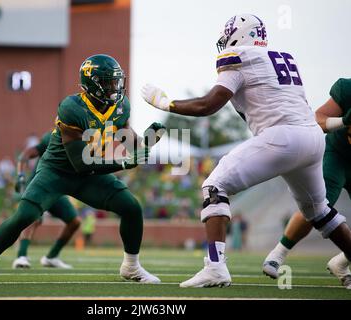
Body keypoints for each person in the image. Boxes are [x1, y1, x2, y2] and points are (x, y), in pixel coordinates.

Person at [141, 14, 351, 288]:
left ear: (239, 34)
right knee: (319, 210)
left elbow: (208, 105)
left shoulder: (239, 55)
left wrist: (168, 104)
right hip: (312, 137)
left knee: (214, 186)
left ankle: (215, 267)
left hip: (283, 137)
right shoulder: (283, 57)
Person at [0, 54, 164, 284]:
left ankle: (131, 267)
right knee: (25, 216)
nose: (115, 87)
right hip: (57, 172)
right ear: (93, 83)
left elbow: (130, 141)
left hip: (87, 175)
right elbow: (80, 162)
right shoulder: (72, 108)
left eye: (116, 81)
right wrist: (124, 162)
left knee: (131, 207)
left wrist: (147, 141)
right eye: (109, 82)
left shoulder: (120, 107)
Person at [263, 78, 351, 288]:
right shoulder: (347, 89)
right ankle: (278, 253)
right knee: (317, 204)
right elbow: (317, 120)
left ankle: (341, 262)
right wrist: (343, 121)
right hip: (337, 156)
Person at [12, 131, 81, 269]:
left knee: (74, 222)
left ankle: (51, 257)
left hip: (57, 189)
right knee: (33, 218)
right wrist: (20, 174)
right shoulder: (53, 136)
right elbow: (27, 154)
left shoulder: (84, 138)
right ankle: (21, 256)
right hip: (40, 185)